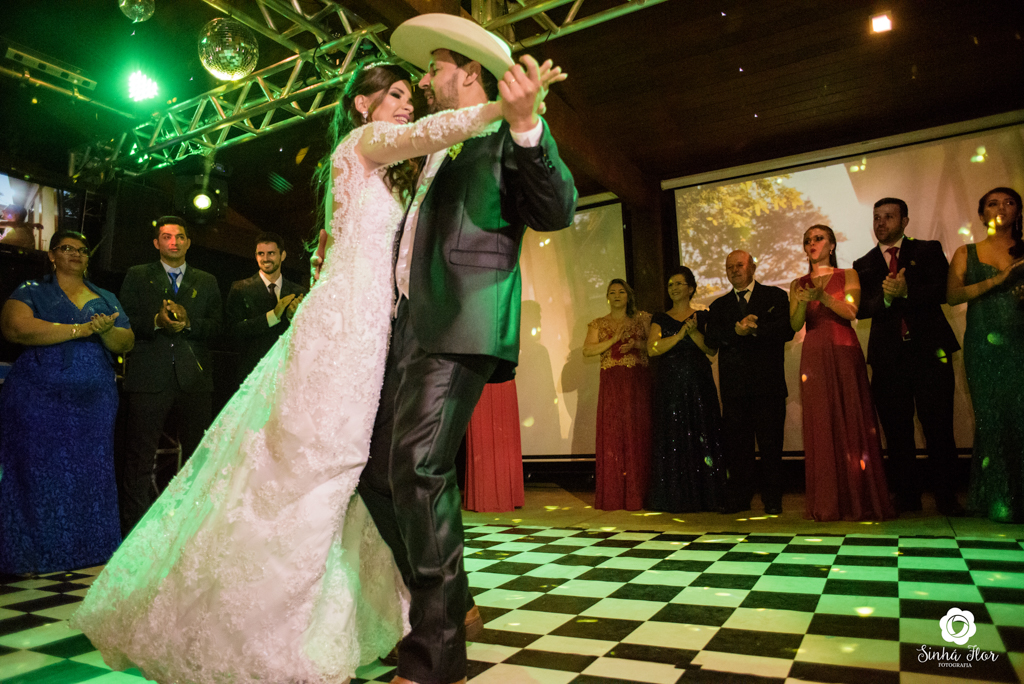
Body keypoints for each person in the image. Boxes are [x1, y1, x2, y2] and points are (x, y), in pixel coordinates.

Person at [71, 56, 568, 684]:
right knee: (315, 467)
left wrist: (515, 120)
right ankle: (270, 623)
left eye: (412, 88)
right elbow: (420, 137)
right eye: (393, 93)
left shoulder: (399, 174)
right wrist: (506, 107)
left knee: (367, 473)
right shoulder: (365, 142)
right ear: (361, 105)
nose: (408, 99)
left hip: (378, 338)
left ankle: (412, 615)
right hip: (342, 334)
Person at [350, 15, 576, 684]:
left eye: (434, 66)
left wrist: (528, 124)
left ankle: (436, 656)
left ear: (469, 73)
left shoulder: (505, 131)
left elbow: (557, 207)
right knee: (377, 474)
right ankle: (457, 607)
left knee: (418, 468)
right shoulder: (433, 147)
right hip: (407, 329)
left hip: (461, 323)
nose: (422, 79)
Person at [0, 231, 134, 575]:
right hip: (37, 399)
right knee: (36, 470)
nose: (75, 254)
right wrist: (80, 330)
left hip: (94, 404)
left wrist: (104, 331)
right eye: (67, 248)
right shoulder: (32, 290)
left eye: (83, 250)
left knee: (91, 472)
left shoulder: (105, 297)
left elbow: (126, 341)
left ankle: (90, 552)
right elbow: (15, 328)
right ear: (51, 255)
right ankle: (32, 555)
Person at [852, 198, 963, 515]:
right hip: (889, 358)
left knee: (939, 427)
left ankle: (946, 496)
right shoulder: (864, 263)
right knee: (897, 430)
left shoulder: (927, 250)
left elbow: (944, 290)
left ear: (905, 221)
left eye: (888, 216)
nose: (881, 222)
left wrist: (907, 292)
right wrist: (886, 300)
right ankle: (908, 496)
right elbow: (860, 309)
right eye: (876, 217)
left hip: (930, 352)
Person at [116, 216, 223, 535]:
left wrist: (190, 324)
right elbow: (124, 320)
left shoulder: (207, 280)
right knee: (139, 456)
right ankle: (132, 530)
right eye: (166, 236)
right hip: (149, 378)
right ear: (156, 243)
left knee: (197, 456)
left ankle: (193, 527)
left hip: (194, 380)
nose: (173, 241)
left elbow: (219, 329)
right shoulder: (137, 275)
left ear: (189, 242)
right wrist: (156, 322)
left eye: (179, 236)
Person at [790, 225, 894, 521]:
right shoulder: (798, 282)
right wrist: (801, 298)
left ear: (832, 245)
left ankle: (860, 499)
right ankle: (827, 501)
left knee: (852, 417)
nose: (813, 244)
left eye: (819, 238)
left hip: (844, 349)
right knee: (821, 421)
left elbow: (851, 312)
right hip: (814, 352)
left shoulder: (848, 274)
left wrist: (823, 297)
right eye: (808, 240)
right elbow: (796, 324)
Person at [947, 187, 1024, 523]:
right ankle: (997, 499)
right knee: (991, 419)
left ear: (1018, 212)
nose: (1000, 208)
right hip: (982, 344)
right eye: (992, 203)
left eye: (1009, 203)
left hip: (1019, 341)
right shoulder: (967, 252)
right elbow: (952, 296)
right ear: (981, 214)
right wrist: (1002, 279)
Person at [706, 250, 794, 515]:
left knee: (771, 447)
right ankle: (740, 498)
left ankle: (773, 499)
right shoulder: (719, 306)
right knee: (738, 449)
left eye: (740, 265)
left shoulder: (775, 296)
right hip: (734, 392)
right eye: (729, 267)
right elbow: (712, 340)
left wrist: (755, 329)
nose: (734, 270)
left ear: (753, 267)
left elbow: (787, 330)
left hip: (769, 388)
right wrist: (735, 330)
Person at [645, 268, 725, 513]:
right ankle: (675, 496)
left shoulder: (702, 316)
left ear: (691, 288)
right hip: (670, 385)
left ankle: (706, 495)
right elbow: (653, 349)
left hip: (698, 383)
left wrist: (694, 333)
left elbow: (710, 351)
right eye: (670, 284)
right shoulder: (660, 317)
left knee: (702, 431)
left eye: (679, 283)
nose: (674, 288)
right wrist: (680, 335)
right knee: (673, 436)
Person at [583, 279, 652, 511]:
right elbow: (587, 349)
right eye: (612, 292)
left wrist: (634, 344)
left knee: (636, 434)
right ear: (607, 297)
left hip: (636, 384)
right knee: (613, 434)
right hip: (612, 384)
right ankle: (613, 496)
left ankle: (638, 494)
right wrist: (612, 340)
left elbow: (653, 346)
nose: (616, 295)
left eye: (621, 291)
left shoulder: (642, 319)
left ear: (628, 295)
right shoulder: (598, 323)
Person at [225, 231, 307, 382]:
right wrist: (273, 316)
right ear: (256, 256)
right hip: (253, 372)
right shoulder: (240, 288)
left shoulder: (299, 292)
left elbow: (307, 335)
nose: (265, 258)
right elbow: (233, 331)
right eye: (260, 254)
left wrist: (291, 318)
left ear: (282, 256)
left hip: (288, 372)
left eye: (271, 253)